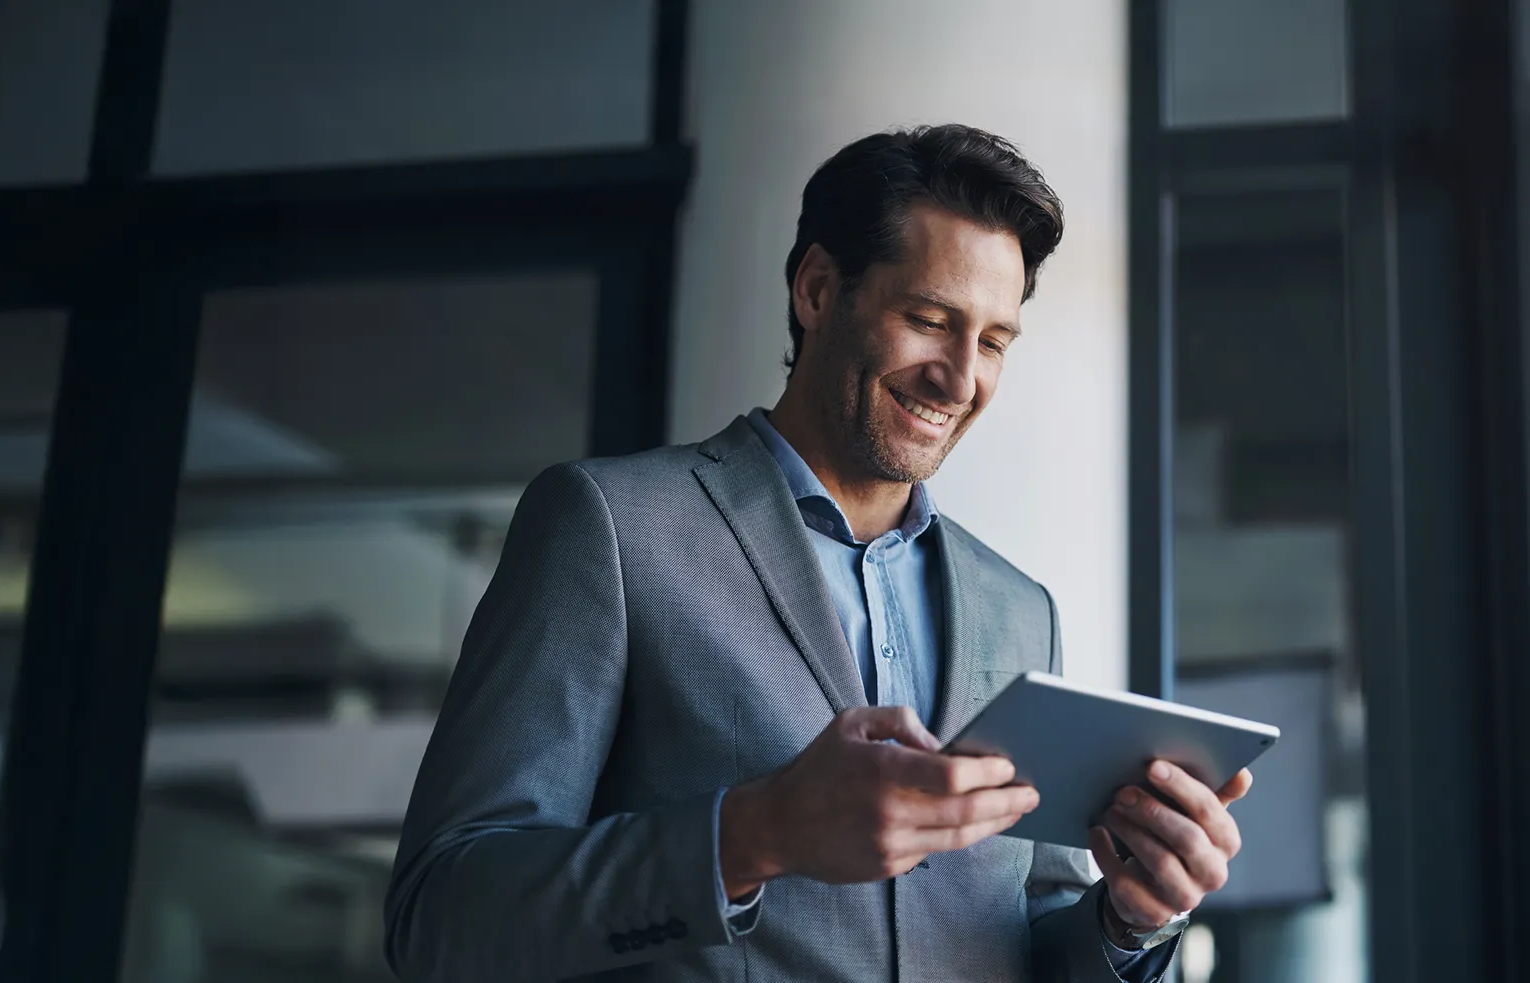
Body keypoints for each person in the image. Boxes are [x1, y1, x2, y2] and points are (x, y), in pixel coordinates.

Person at [385, 123, 1252, 982]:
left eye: (991, 341)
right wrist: (757, 832)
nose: (959, 377)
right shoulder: (612, 526)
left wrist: (1127, 923)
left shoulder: (1020, 611)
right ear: (816, 288)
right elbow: (442, 917)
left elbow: (1023, 936)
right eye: (928, 318)